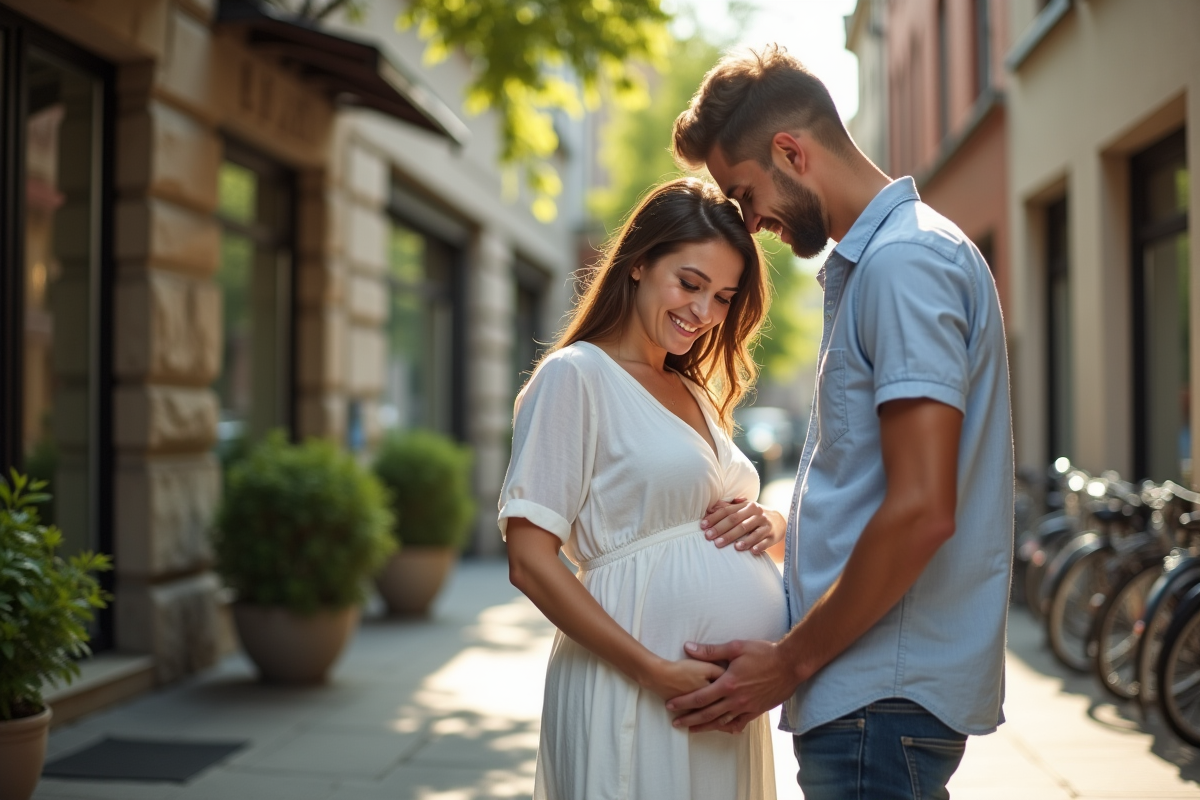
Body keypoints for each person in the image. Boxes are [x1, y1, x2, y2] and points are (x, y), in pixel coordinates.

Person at [666, 45, 1014, 800]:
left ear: (792, 151)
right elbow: (890, 484)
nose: (749, 223)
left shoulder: (904, 264)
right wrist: (793, 533)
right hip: (874, 701)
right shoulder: (896, 259)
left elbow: (922, 509)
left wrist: (787, 662)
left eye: (744, 192)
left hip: (874, 703)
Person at [499, 177, 788, 800]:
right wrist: (653, 671)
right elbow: (528, 561)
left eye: (723, 297)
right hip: (632, 689)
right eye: (689, 284)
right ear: (637, 265)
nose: (704, 313)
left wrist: (773, 524)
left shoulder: (693, 390)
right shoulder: (576, 377)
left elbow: (712, 516)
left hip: (716, 706)